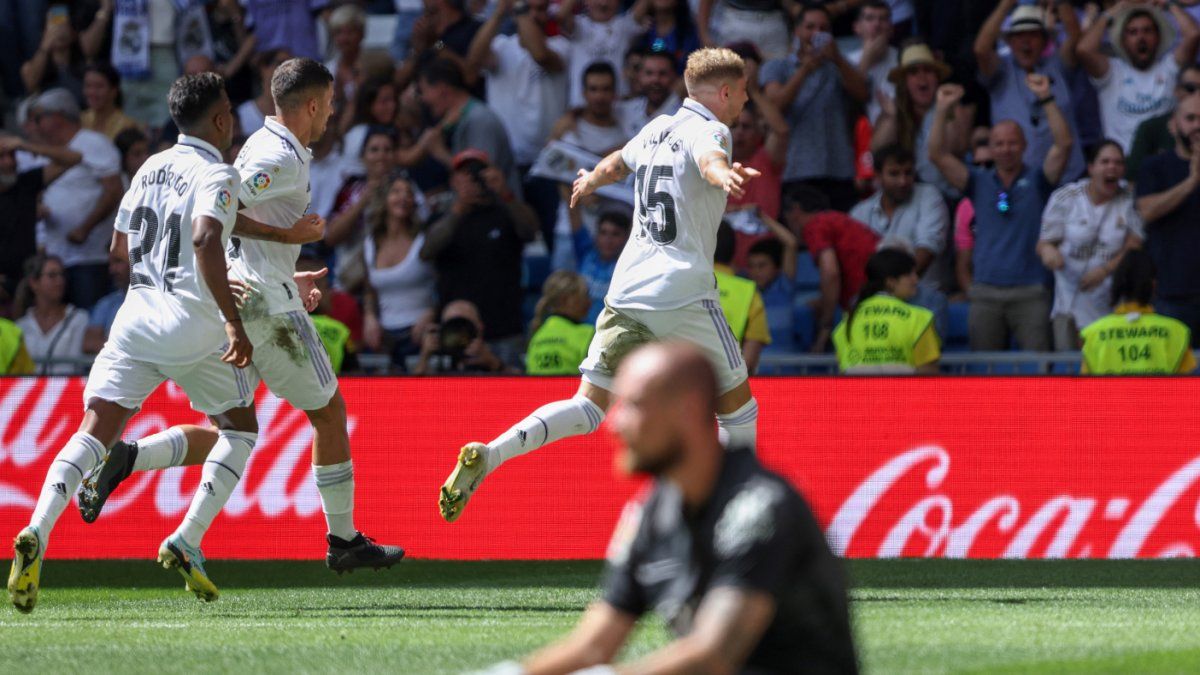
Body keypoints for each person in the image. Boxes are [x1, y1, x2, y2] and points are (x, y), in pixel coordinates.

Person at [81, 59, 406, 574]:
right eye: (331, 102)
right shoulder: (278, 156)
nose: (334, 113)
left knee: (232, 429)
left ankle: (131, 459)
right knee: (329, 413)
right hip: (262, 306)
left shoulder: (263, 142)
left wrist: (283, 270)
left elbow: (231, 211)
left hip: (244, 293)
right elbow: (219, 210)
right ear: (314, 104)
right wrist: (283, 253)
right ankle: (343, 540)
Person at [436, 48, 762, 523]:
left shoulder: (655, 128)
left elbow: (616, 163)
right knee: (738, 408)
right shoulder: (714, 130)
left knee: (588, 408)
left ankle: (492, 452)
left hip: (627, 291)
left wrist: (589, 180)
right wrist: (723, 172)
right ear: (726, 92)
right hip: (684, 292)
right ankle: (738, 519)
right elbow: (709, 156)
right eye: (745, 91)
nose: (747, 100)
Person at [7, 73, 259, 613]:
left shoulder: (147, 167)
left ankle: (36, 530)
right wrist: (233, 319)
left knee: (92, 432)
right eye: (230, 115)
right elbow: (206, 237)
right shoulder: (217, 171)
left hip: (135, 319)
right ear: (219, 120)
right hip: (193, 325)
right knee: (239, 429)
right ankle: (187, 540)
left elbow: (120, 245)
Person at [486, 342, 858, 674]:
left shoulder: (759, 508)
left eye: (633, 405)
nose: (614, 424)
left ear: (687, 409)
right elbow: (594, 646)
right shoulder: (650, 514)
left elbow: (713, 656)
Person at [929, 77, 1072, 352]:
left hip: (1032, 292)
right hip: (985, 293)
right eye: (999, 143)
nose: (1005, 149)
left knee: (1038, 374)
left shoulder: (1040, 180)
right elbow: (936, 154)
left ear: (1024, 145)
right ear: (991, 148)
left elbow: (1064, 144)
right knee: (987, 380)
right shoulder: (977, 181)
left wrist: (1046, 98)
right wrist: (941, 109)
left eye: (1012, 143)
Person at [420, 149, 539, 365]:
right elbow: (426, 251)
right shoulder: (443, 217)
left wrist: (505, 193)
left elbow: (530, 231)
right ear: (453, 180)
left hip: (503, 329)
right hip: (456, 330)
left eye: (478, 172)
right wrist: (459, 208)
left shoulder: (505, 212)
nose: (473, 179)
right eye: (465, 174)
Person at [760, 4, 869, 211]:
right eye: (810, 27)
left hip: (839, 170)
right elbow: (775, 106)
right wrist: (806, 68)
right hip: (797, 170)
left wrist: (836, 58)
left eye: (823, 28)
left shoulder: (840, 67)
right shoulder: (778, 67)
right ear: (797, 31)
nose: (816, 33)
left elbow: (862, 93)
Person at [1038, 140, 1144, 351]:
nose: (1112, 167)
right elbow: (1044, 243)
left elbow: (1135, 244)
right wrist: (1049, 254)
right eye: (1105, 162)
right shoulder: (1065, 197)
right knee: (1072, 376)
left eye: (1118, 163)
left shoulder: (1129, 199)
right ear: (1091, 168)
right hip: (1069, 305)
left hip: (1112, 306)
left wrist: (1105, 270)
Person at [30, 88, 124, 310]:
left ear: (58, 116)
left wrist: (85, 228)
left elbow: (114, 189)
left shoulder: (92, 143)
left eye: (39, 118)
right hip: (56, 259)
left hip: (88, 258)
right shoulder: (52, 151)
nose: (34, 126)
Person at [974, 0, 1085, 183]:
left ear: (1045, 41)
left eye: (1033, 35)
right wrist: (1005, 5)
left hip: (1068, 180)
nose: (1026, 41)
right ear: (1009, 42)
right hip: (1019, 183)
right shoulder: (1000, 71)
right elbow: (980, 49)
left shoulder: (1058, 65)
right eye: (1019, 36)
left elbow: (1074, 38)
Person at [1078, 2, 1200, 154]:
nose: (1141, 37)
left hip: (1163, 161)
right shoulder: (1112, 72)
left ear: (1158, 36)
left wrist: (1168, 4)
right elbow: (1084, 49)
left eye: (1147, 31)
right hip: (1122, 165)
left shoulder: (1170, 68)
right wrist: (1114, 11)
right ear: (1123, 40)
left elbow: (1193, 34)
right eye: (1132, 32)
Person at [1134, 95, 1200, 344]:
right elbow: (1147, 211)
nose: (1196, 125)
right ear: (1174, 125)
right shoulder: (1154, 167)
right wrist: (1192, 182)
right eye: (1190, 118)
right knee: (1173, 379)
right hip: (1172, 292)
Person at [784, 185, 881, 352]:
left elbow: (830, 273)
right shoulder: (836, 220)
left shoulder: (815, 225)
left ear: (796, 210)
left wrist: (825, 327)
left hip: (872, 305)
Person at [872, 42, 970, 201]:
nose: (921, 77)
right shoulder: (894, 109)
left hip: (949, 198)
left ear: (937, 78)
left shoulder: (952, 107)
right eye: (913, 72)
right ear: (904, 82)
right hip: (907, 199)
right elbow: (877, 152)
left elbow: (957, 148)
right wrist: (892, 117)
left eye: (928, 70)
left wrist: (944, 110)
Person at [361, 176, 436, 371]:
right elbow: (370, 288)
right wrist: (369, 316)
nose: (403, 197)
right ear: (385, 199)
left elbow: (446, 283)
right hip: (385, 338)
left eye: (409, 193)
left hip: (420, 333)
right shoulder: (371, 242)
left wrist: (431, 313)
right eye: (396, 192)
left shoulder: (424, 240)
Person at [850, 143, 949, 289]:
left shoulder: (929, 196)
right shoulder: (860, 212)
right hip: (877, 297)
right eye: (894, 174)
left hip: (922, 295)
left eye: (908, 173)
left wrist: (892, 290)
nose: (902, 181)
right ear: (877, 176)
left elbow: (928, 247)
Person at [1081, 249, 1196, 375]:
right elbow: (1187, 389)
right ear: (1153, 285)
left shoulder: (1093, 334)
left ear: (1118, 284)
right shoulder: (1177, 332)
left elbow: (1086, 389)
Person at [0, 132, 82, 300]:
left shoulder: (26, 183)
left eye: (12, 155)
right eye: (1, 157)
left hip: (29, 281)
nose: (9, 162)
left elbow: (74, 158)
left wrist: (23, 145)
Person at [833, 248, 940, 374]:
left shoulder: (847, 321)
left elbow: (843, 369)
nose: (916, 280)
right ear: (891, 282)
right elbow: (928, 374)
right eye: (909, 274)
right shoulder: (919, 319)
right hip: (903, 393)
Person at [325, 127, 397, 292]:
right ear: (363, 157)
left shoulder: (408, 191)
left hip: (392, 281)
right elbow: (331, 237)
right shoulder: (351, 191)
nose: (381, 156)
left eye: (387, 150)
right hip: (350, 282)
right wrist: (364, 199)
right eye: (374, 150)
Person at [557, 0, 647, 108]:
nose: (603, 3)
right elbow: (561, 15)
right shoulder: (578, 25)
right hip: (581, 108)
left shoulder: (624, 26)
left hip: (617, 107)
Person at [13, 254, 89, 375]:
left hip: (70, 391)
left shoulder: (80, 319)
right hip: (31, 392)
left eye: (62, 275)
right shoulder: (20, 326)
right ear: (34, 283)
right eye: (52, 276)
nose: (60, 281)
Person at [715, 221, 771, 373]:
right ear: (733, 252)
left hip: (681, 390)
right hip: (730, 389)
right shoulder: (748, 293)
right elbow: (750, 360)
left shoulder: (677, 285)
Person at [1128, 64, 1200, 184]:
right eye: (1191, 88)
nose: (1198, 95)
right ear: (1177, 91)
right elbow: (1133, 180)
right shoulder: (1151, 128)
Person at [525, 270, 595, 375]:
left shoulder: (536, 333)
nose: (590, 302)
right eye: (585, 295)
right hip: (572, 390)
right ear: (566, 299)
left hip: (538, 391)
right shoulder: (588, 333)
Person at [572, 210, 632, 323]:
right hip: (579, 331)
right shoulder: (585, 253)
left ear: (626, 238)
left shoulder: (629, 265)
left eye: (615, 234)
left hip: (607, 334)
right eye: (603, 232)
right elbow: (573, 214)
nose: (608, 240)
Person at [746, 231, 799, 355]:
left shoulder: (785, 287)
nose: (755, 272)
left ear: (777, 268)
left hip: (785, 370)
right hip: (755, 369)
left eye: (762, 266)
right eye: (751, 266)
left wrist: (760, 215)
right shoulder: (745, 291)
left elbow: (791, 243)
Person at [848, 1, 897, 125]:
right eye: (869, 18)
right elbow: (847, 104)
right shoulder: (846, 62)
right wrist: (866, 62)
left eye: (883, 19)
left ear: (891, 28)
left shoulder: (902, 58)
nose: (877, 24)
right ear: (857, 27)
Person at [616, 48, 683, 139]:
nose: (655, 79)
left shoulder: (683, 114)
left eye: (663, 74)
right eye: (649, 73)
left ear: (674, 76)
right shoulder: (626, 109)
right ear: (639, 76)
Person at [83, 246, 131, 354]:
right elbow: (90, 344)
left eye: (118, 261)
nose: (112, 270)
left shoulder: (158, 300)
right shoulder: (106, 304)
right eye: (110, 263)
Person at [80, 63, 140, 141]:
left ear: (114, 91)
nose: (92, 92)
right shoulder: (80, 120)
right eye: (88, 86)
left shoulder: (127, 126)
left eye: (99, 86)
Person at [238, 48, 291, 136]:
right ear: (263, 68)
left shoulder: (298, 116)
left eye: (291, 65)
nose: (288, 71)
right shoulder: (242, 115)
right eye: (281, 64)